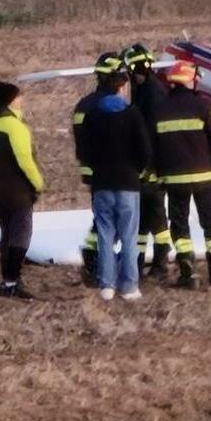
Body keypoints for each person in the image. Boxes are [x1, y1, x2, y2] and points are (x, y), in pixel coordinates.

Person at [153, 61, 211, 290]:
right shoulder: (205, 106)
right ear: (191, 80)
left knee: (179, 227)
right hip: (205, 178)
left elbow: (154, 148)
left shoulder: (160, 110)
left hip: (174, 181)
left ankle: (189, 275)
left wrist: (158, 176)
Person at [79, 74, 152, 302]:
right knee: (129, 236)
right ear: (122, 88)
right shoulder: (132, 114)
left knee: (104, 235)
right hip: (128, 184)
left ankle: (106, 285)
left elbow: (85, 151)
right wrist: (137, 170)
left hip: (102, 184)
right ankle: (129, 286)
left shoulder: (93, 116)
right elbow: (145, 151)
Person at [0, 82, 44, 300]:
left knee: (7, 235)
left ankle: (7, 281)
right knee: (21, 237)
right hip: (18, 192)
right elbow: (25, 160)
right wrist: (38, 183)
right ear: (11, 100)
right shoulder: (16, 127)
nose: (21, 100)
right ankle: (13, 280)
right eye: (18, 97)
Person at [73, 52, 128, 285]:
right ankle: (97, 263)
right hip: (113, 171)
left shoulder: (83, 105)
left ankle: (95, 260)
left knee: (104, 217)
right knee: (111, 218)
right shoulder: (114, 106)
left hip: (93, 171)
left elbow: (81, 143)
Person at [122, 43, 172, 280]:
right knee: (143, 218)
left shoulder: (152, 94)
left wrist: (149, 166)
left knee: (156, 215)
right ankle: (139, 261)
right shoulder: (144, 90)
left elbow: (152, 133)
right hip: (145, 167)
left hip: (153, 169)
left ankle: (161, 262)